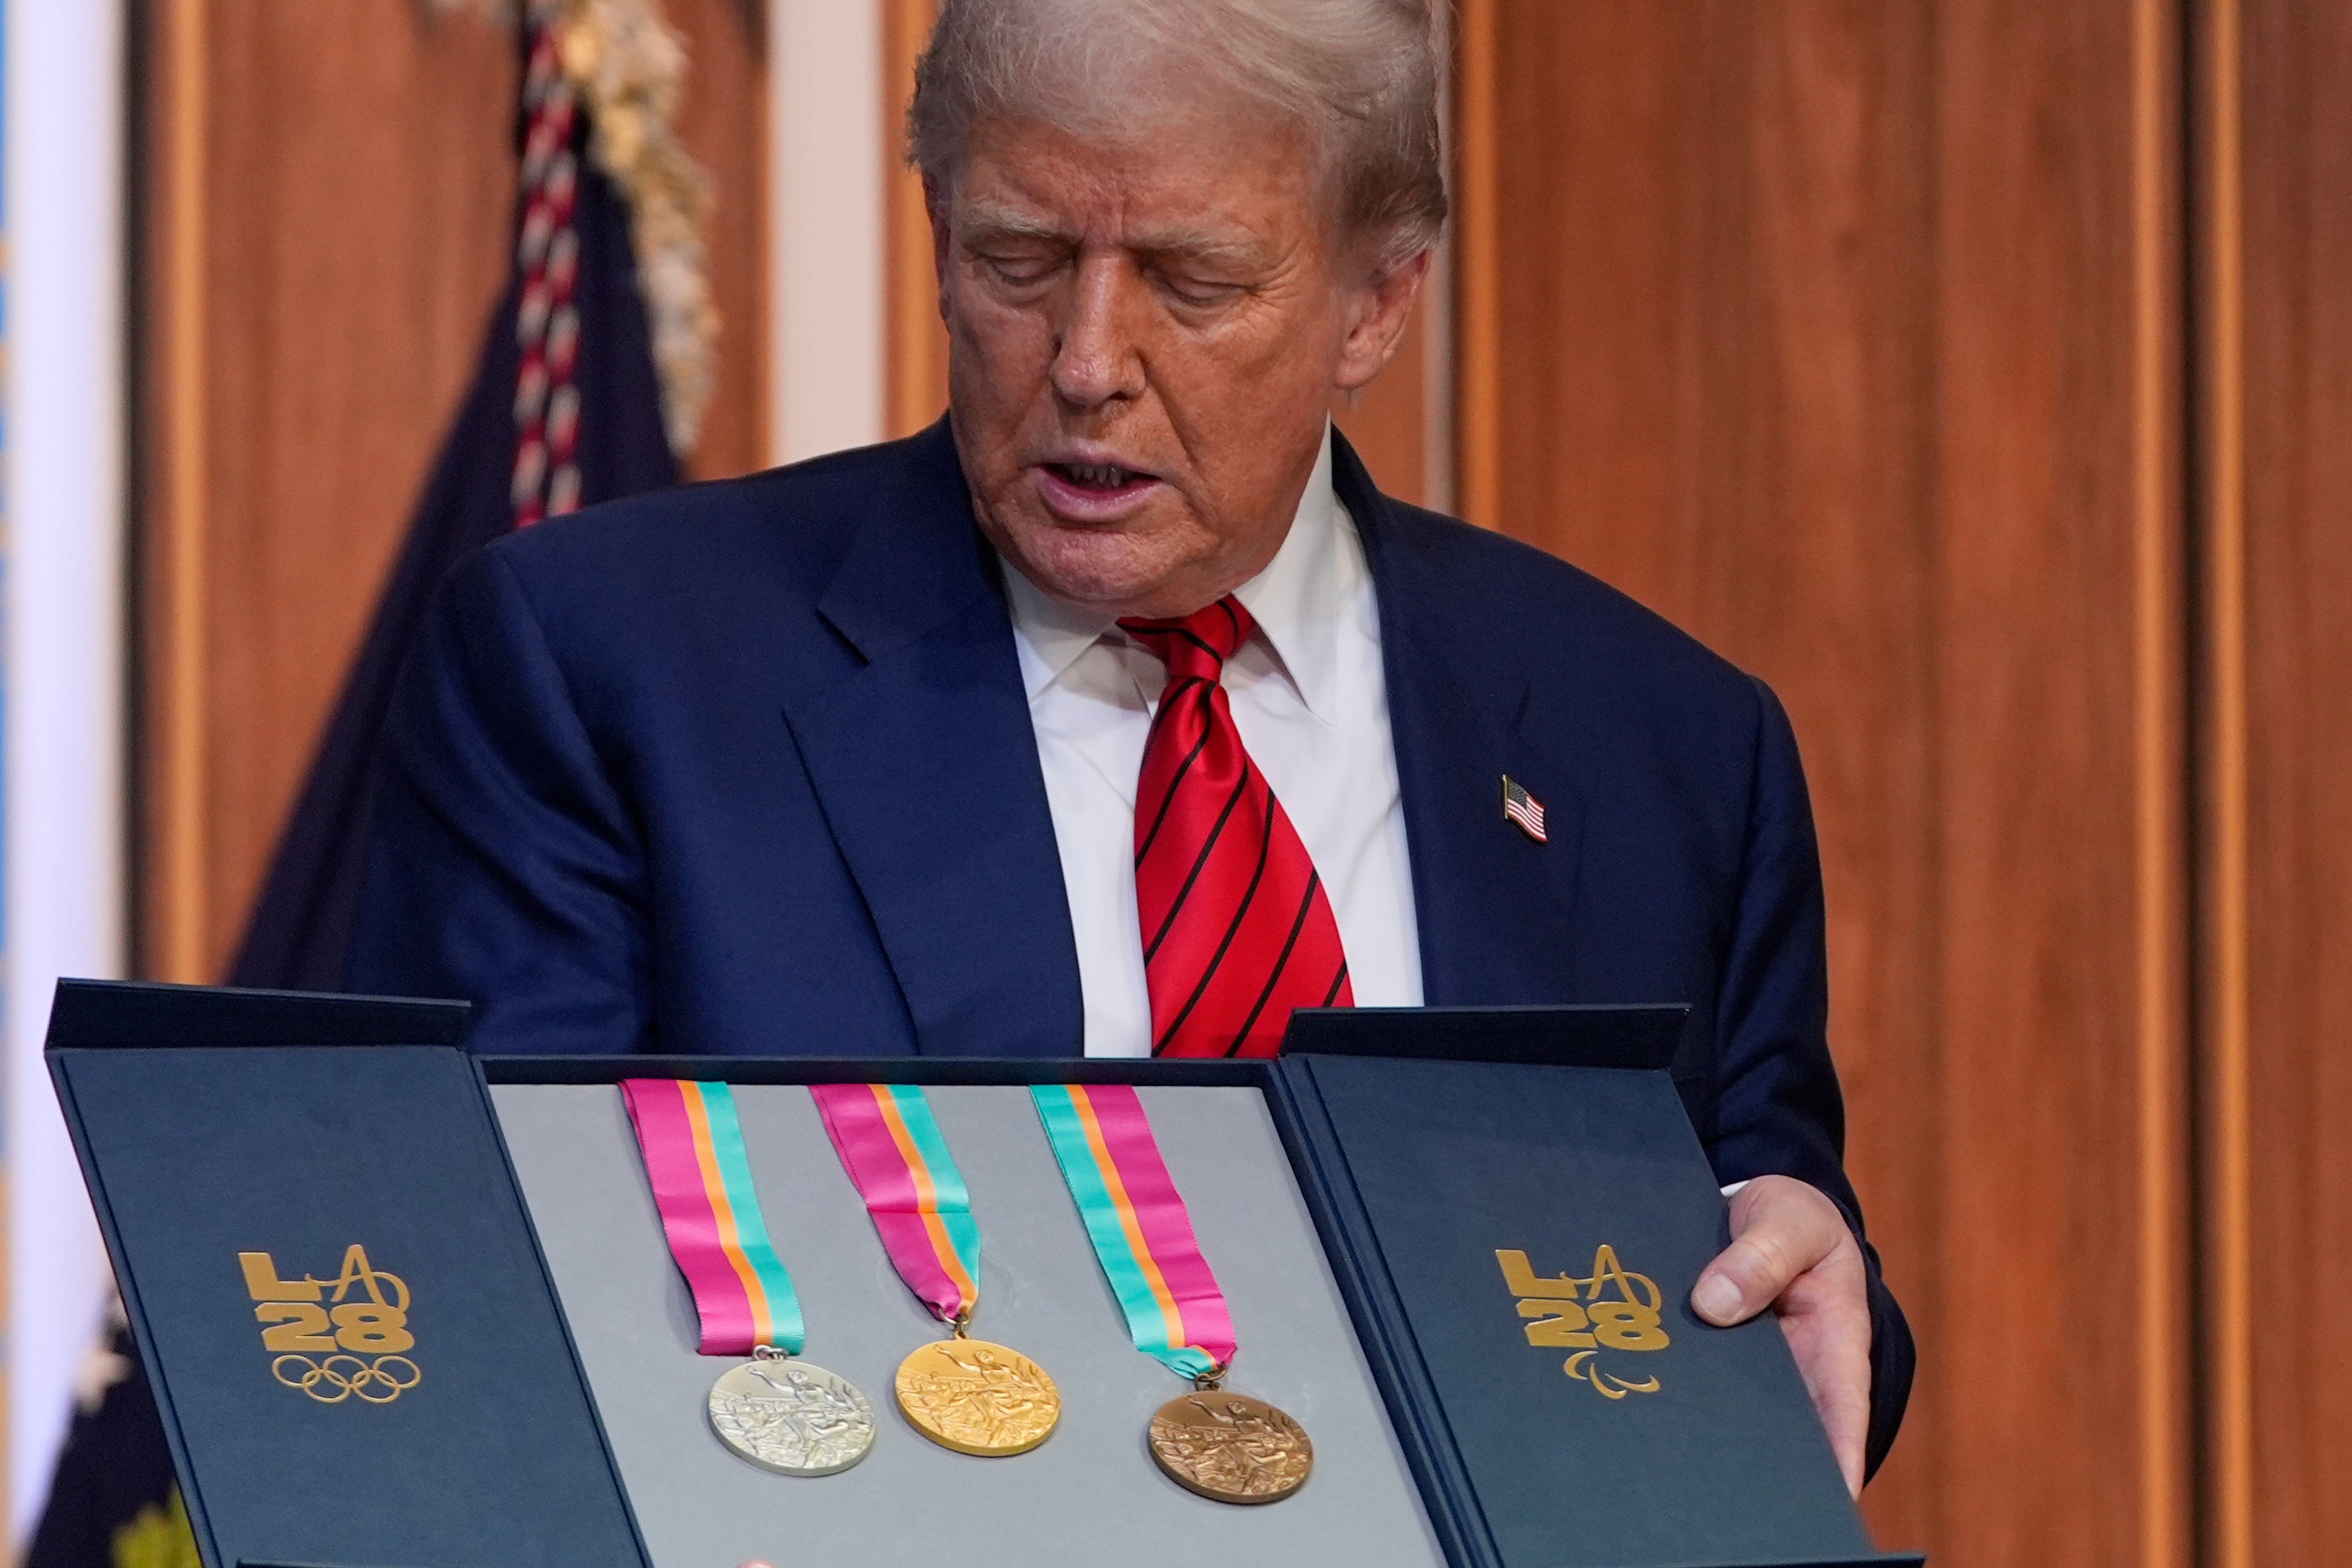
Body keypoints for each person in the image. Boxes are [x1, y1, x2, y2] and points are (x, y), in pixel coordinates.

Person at [349, 0, 1911, 1491]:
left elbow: (1774, 1279)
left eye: (1195, 279)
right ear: (940, 241)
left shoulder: (1660, 748)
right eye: (1019, 260)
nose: (1089, 361)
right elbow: (479, 1302)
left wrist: (1802, 1273)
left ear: (1379, 299)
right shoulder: (608, 672)